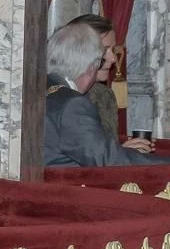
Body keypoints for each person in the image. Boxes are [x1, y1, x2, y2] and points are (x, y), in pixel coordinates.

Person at [44, 22, 170, 167]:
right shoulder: (72, 105)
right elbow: (109, 160)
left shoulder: (40, 89)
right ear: (92, 66)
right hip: (68, 187)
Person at [65, 14, 154, 153]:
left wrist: (132, 147)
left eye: (112, 50)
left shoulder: (105, 95)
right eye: (104, 50)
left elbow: (104, 150)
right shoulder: (55, 95)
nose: (113, 58)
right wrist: (121, 152)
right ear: (78, 51)